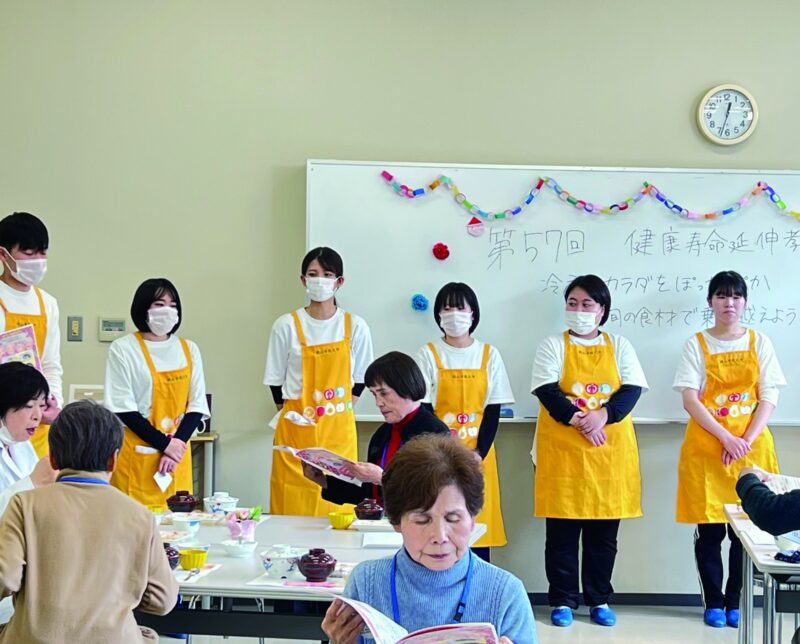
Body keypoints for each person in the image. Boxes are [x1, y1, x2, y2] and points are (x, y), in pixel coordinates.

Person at [321, 434, 537, 643]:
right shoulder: (367, 582)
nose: (440, 537)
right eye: (422, 520)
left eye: (453, 519)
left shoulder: (505, 593)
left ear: (472, 519)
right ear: (396, 522)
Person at [0, 400, 179, 643]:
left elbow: (5, 578)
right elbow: (162, 601)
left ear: (52, 459)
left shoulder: (24, 505)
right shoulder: (139, 515)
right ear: (113, 460)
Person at [531, 274, 647, 628]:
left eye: (587, 304)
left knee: (603, 537)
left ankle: (599, 600)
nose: (578, 310)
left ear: (602, 310)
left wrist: (603, 416)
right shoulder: (553, 345)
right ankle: (562, 600)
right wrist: (582, 420)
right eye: (572, 303)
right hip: (563, 454)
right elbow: (547, 390)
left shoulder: (620, 345)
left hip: (608, 455)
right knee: (561, 535)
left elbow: (631, 389)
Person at [674, 270, 785, 629]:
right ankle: (713, 603)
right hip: (708, 449)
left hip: (751, 448)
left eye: (736, 296)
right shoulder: (696, 344)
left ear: (745, 302)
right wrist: (726, 438)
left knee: (745, 531)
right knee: (710, 532)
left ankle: (736, 600)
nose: (729, 303)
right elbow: (690, 399)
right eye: (722, 296)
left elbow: (768, 397)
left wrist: (744, 441)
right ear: (710, 301)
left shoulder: (759, 342)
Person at [265, 247, 373, 516]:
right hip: (296, 435)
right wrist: (295, 412)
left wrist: (339, 409)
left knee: (337, 506)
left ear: (339, 281)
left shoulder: (355, 326)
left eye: (327, 274)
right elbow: (275, 381)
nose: (320, 280)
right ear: (303, 280)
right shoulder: (286, 325)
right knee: (292, 506)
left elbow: (362, 378)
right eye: (313, 274)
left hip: (338, 433)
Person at [416, 282, 514, 560]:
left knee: (477, 527)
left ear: (473, 314)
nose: (453, 315)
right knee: (441, 527)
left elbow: (493, 409)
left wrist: (478, 453)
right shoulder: (428, 354)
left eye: (460, 308)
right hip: (439, 456)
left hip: (479, 457)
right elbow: (424, 409)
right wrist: (447, 451)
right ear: (438, 314)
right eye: (446, 308)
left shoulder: (489, 354)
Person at [104, 278, 210, 506]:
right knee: (133, 522)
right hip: (138, 456)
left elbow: (196, 405)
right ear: (143, 308)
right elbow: (124, 409)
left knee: (178, 522)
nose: (167, 311)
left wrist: (175, 446)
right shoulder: (123, 349)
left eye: (173, 306)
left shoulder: (189, 349)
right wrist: (166, 445)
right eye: (159, 304)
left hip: (176, 458)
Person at [303, 351, 450, 504]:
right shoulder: (382, 434)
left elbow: (435, 494)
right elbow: (370, 495)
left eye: (384, 393)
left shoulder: (436, 433)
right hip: (382, 518)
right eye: (374, 395)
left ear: (407, 388)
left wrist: (382, 478)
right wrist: (322, 480)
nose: (378, 403)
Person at [0, 212, 62, 457]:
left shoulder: (47, 303)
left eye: (42, 252)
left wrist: (52, 403)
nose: (37, 260)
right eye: (28, 253)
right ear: (3, 254)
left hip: (36, 423)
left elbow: (51, 364)